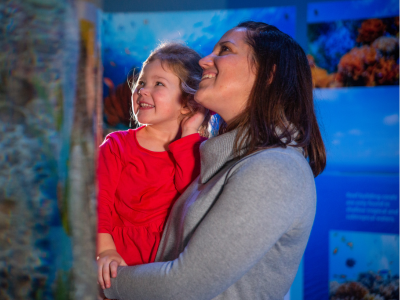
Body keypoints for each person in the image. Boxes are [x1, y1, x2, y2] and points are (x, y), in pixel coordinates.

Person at [103, 21, 326, 300]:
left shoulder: (275, 170)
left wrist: (103, 283)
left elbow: (182, 286)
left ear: (268, 75)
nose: (205, 60)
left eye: (225, 50)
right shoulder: (229, 160)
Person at [96, 43, 210, 290]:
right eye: (141, 83)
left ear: (188, 104)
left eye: (158, 84)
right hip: (117, 269)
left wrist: (189, 133)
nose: (142, 91)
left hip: (166, 276)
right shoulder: (116, 146)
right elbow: (97, 203)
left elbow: (192, 201)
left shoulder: (202, 150)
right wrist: (105, 251)